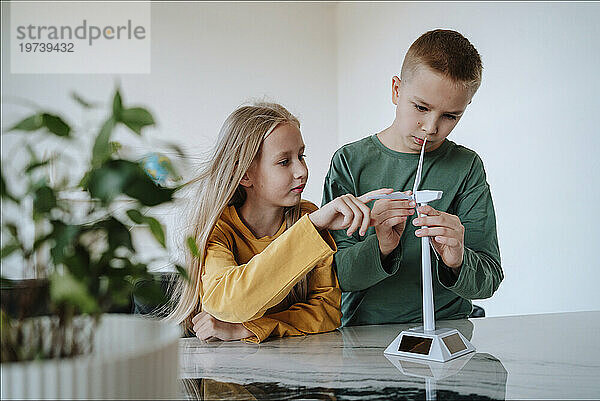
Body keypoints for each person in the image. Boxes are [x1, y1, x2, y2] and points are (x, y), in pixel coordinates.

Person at [322, 29, 504, 326]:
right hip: (366, 336)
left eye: (450, 116)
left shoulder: (466, 166)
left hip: (449, 330)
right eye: (421, 107)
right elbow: (334, 277)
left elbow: (488, 280)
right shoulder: (350, 162)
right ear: (396, 90)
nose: (431, 127)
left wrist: (457, 258)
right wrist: (380, 246)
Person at [166, 102, 387, 342]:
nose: (301, 170)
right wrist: (311, 228)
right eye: (284, 162)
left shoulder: (307, 218)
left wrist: (248, 328)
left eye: (301, 156)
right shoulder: (220, 229)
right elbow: (227, 302)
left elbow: (326, 312)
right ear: (245, 175)